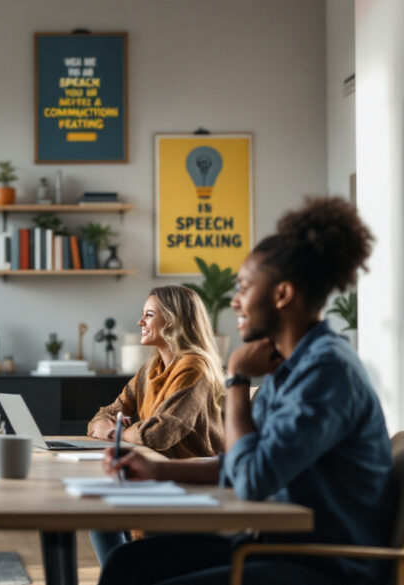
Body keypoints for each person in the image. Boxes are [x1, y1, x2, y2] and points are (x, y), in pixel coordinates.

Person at [98, 198, 392, 585]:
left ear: (282, 295)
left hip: (323, 564)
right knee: (126, 563)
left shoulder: (326, 370)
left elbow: (252, 478)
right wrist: (157, 469)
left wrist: (235, 378)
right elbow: (242, 462)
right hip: (272, 545)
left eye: (244, 288)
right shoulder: (294, 367)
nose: (235, 300)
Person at [86, 285, 226, 562]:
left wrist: (116, 432)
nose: (140, 322)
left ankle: (126, 573)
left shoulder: (195, 368)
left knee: (100, 515)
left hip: (188, 485)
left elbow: (160, 434)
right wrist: (116, 429)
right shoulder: (149, 370)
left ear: (172, 321)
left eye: (149, 315)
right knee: (98, 515)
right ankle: (124, 574)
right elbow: (99, 419)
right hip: (153, 478)